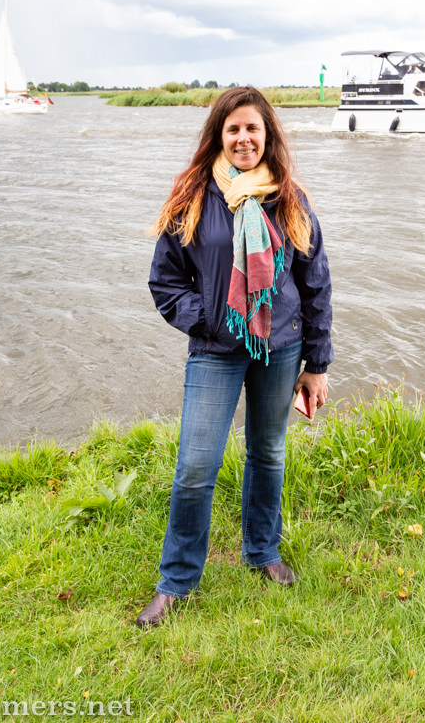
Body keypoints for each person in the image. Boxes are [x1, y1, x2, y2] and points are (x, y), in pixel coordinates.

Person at [136, 86, 333, 628]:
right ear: (218, 136)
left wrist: (316, 365)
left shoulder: (289, 198)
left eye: (252, 128)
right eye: (233, 129)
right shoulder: (193, 197)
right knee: (195, 466)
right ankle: (176, 582)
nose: (244, 138)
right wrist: (208, 320)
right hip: (214, 351)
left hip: (282, 347)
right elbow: (165, 281)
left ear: (267, 135)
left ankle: (262, 551)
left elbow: (315, 284)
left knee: (267, 453)